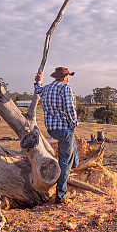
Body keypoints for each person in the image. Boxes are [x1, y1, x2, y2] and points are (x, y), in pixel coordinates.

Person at [34, 66, 79, 204]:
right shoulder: (66, 89)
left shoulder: (46, 88)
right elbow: (70, 108)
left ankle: (76, 162)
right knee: (64, 161)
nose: (69, 78)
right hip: (64, 128)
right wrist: (74, 123)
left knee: (71, 144)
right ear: (65, 77)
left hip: (52, 129)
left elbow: (37, 90)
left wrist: (37, 81)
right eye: (68, 76)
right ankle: (61, 195)